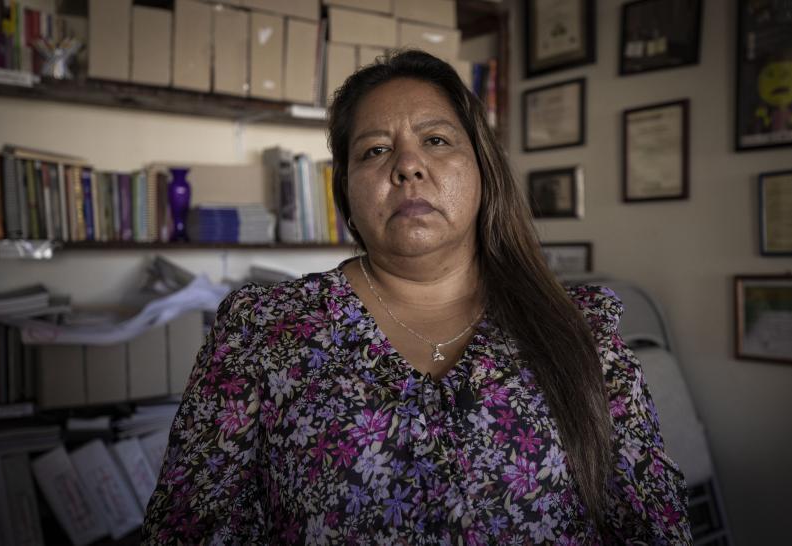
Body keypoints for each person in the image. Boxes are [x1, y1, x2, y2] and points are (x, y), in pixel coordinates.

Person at [142, 50, 691, 544]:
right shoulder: (262, 332)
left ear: (483, 171)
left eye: (435, 140)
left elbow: (653, 527)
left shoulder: (582, 332)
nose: (407, 165)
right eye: (375, 150)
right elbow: (189, 529)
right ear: (347, 196)